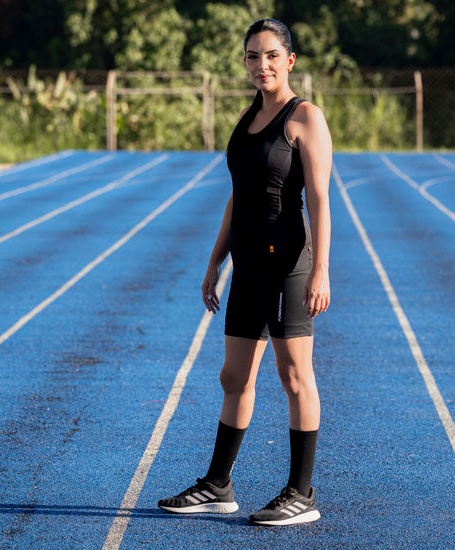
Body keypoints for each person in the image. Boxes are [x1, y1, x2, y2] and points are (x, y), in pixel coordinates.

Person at [158, 18, 332, 526]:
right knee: (233, 376)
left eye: (272, 55)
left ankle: (302, 493)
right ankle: (218, 485)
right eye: (253, 56)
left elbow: (319, 200)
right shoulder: (246, 117)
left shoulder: (306, 118)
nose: (263, 65)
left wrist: (321, 270)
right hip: (248, 265)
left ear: (290, 60)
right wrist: (216, 260)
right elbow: (238, 197)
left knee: (295, 376)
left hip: (289, 265)